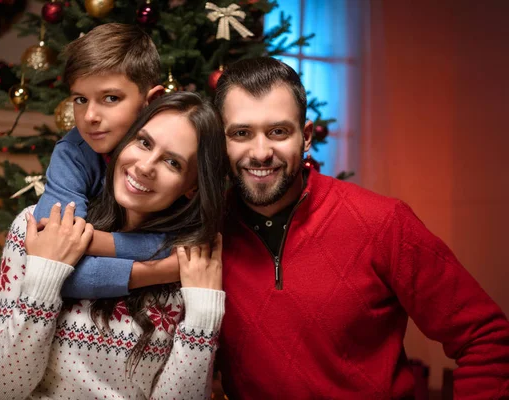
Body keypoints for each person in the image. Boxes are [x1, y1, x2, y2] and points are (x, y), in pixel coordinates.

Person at [212, 57, 509, 399]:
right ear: (221, 143)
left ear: (305, 136)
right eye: (241, 133)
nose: (261, 152)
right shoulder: (207, 233)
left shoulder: (382, 222)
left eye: (278, 132)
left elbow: (485, 337)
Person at [0, 23, 180, 399]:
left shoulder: (179, 174)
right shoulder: (72, 153)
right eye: (80, 99)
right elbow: (56, 267)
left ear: (151, 100)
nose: (90, 117)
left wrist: (90, 243)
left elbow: (179, 243)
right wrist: (157, 270)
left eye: (110, 98)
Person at [0, 92, 229, 399]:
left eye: (172, 162)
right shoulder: (38, 227)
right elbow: (3, 386)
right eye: (143, 142)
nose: (145, 166)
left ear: (192, 187)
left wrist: (203, 315)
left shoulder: (191, 264)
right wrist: (45, 277)